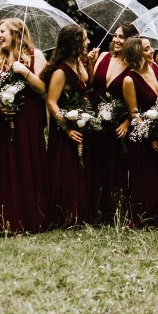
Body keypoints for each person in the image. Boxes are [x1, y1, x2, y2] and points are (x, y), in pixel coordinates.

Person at [0, 18, 48, 233]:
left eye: (3, 32)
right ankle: (2, 218)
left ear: (17, 33)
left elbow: (43, 89)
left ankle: (29, 216)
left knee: (25, 161)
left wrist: (24, 72)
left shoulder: (35, 56)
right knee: (1, 163)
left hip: (27, 118)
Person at [43, 24, 93, 227]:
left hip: (79, 121)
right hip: (64, 127)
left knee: (79, 168)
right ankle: (64, 215)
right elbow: (51, 102)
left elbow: (87, 82)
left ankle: (79, 213)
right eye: (85, 38)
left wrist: (89, 62)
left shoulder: (78, 63)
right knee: (65, 171)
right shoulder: (61, 71)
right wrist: (67, 128)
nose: (88, 42)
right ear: (74, 43)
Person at [90, 23, 138, 222]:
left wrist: (127, 122)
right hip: (95, 119)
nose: (116, 40)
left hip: (118, 123)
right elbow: (90, 85)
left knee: (115, 166)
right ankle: (95, 208)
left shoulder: (134, 66)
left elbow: (137, 101)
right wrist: (88, 63)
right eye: (115, 35)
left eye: (121, 37)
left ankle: (114, 210)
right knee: (95, 164)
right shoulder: (102, 57)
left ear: (130, 41)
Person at [121, 37, 158, 227]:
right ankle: (144, 215)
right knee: (146, 176)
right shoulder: (129, 79)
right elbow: (134, 114)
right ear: (137, 54)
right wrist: (150, 136)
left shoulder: (155, 69)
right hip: (142, 136)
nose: (152, 51)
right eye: (147, 49)